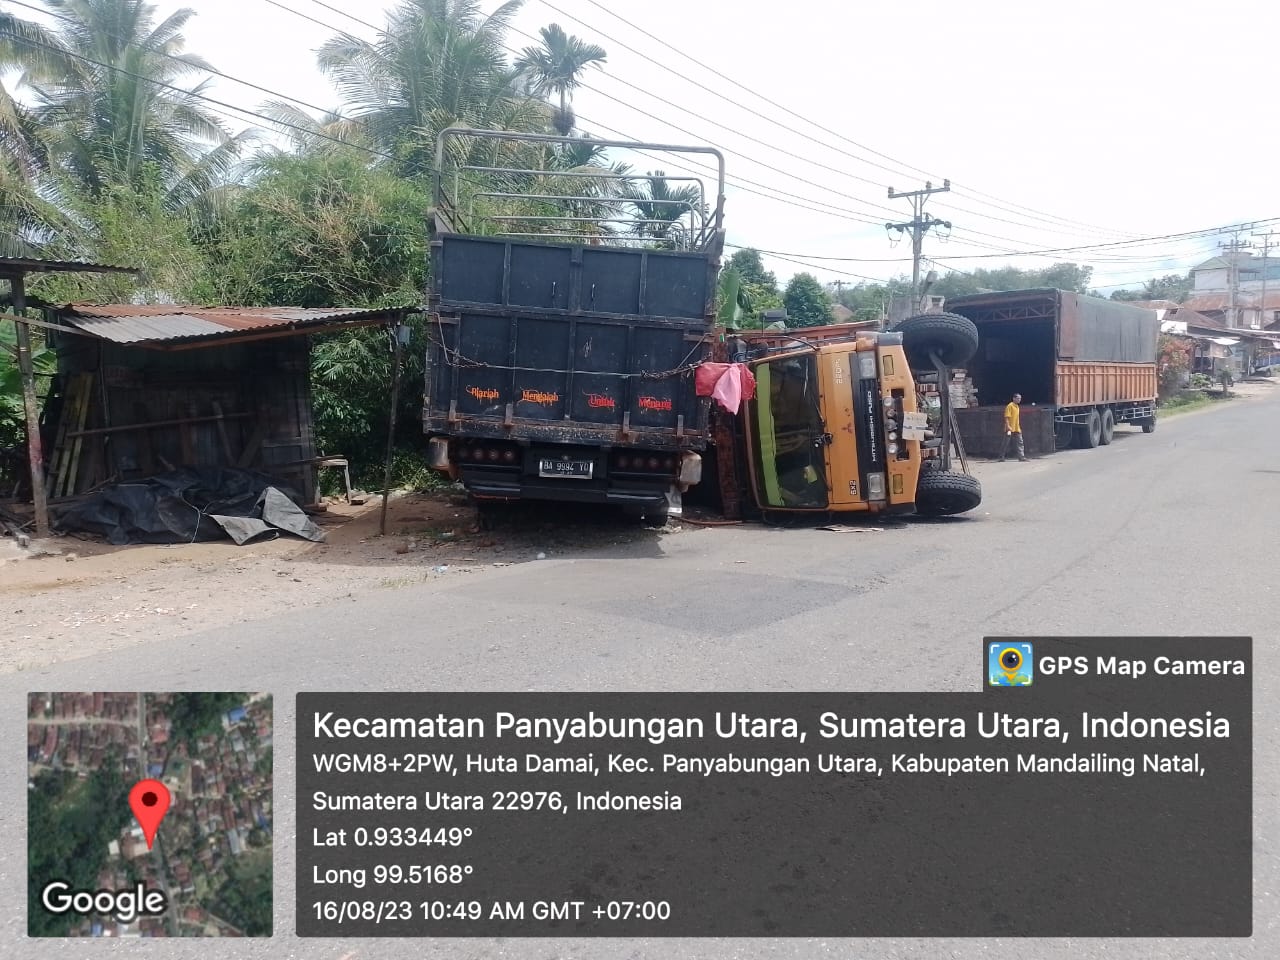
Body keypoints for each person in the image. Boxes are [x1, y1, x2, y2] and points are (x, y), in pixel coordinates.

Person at [999, 393, 1027, 462]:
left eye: (1020, 398)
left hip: (1017, 428)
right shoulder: (1010, 406)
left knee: (1020, 442)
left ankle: (1021, 457)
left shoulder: (1017, 406)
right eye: (1018, 398)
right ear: (1014, 398)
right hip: (1009, 428)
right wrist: (1008, 426)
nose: (1019, 400)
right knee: (1006, 443)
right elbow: (1006, 417)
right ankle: (1001, 456)